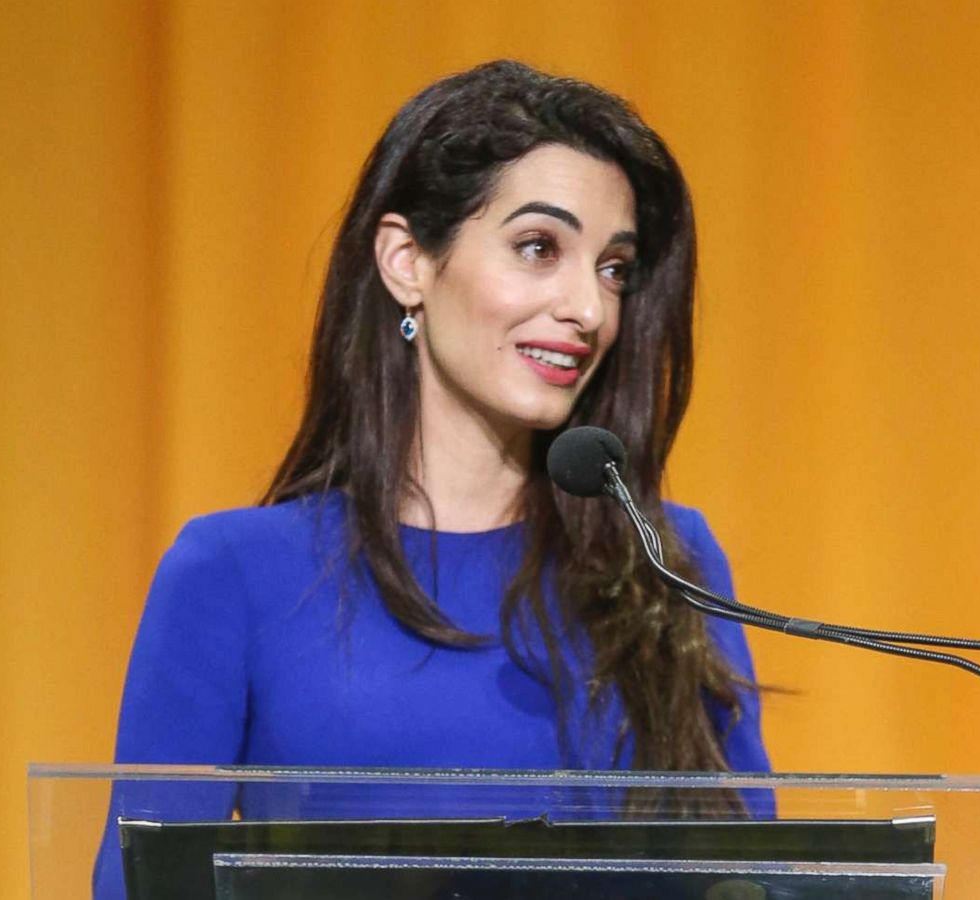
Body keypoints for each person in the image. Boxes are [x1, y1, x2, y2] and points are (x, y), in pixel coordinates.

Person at [92, 60, 769, 898]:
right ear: (408, 259)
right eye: (538, 248)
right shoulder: (233, 574)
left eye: (614, 268)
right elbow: (142, 886)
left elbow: (749, 879)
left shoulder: (666, 561)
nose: (589, 310)